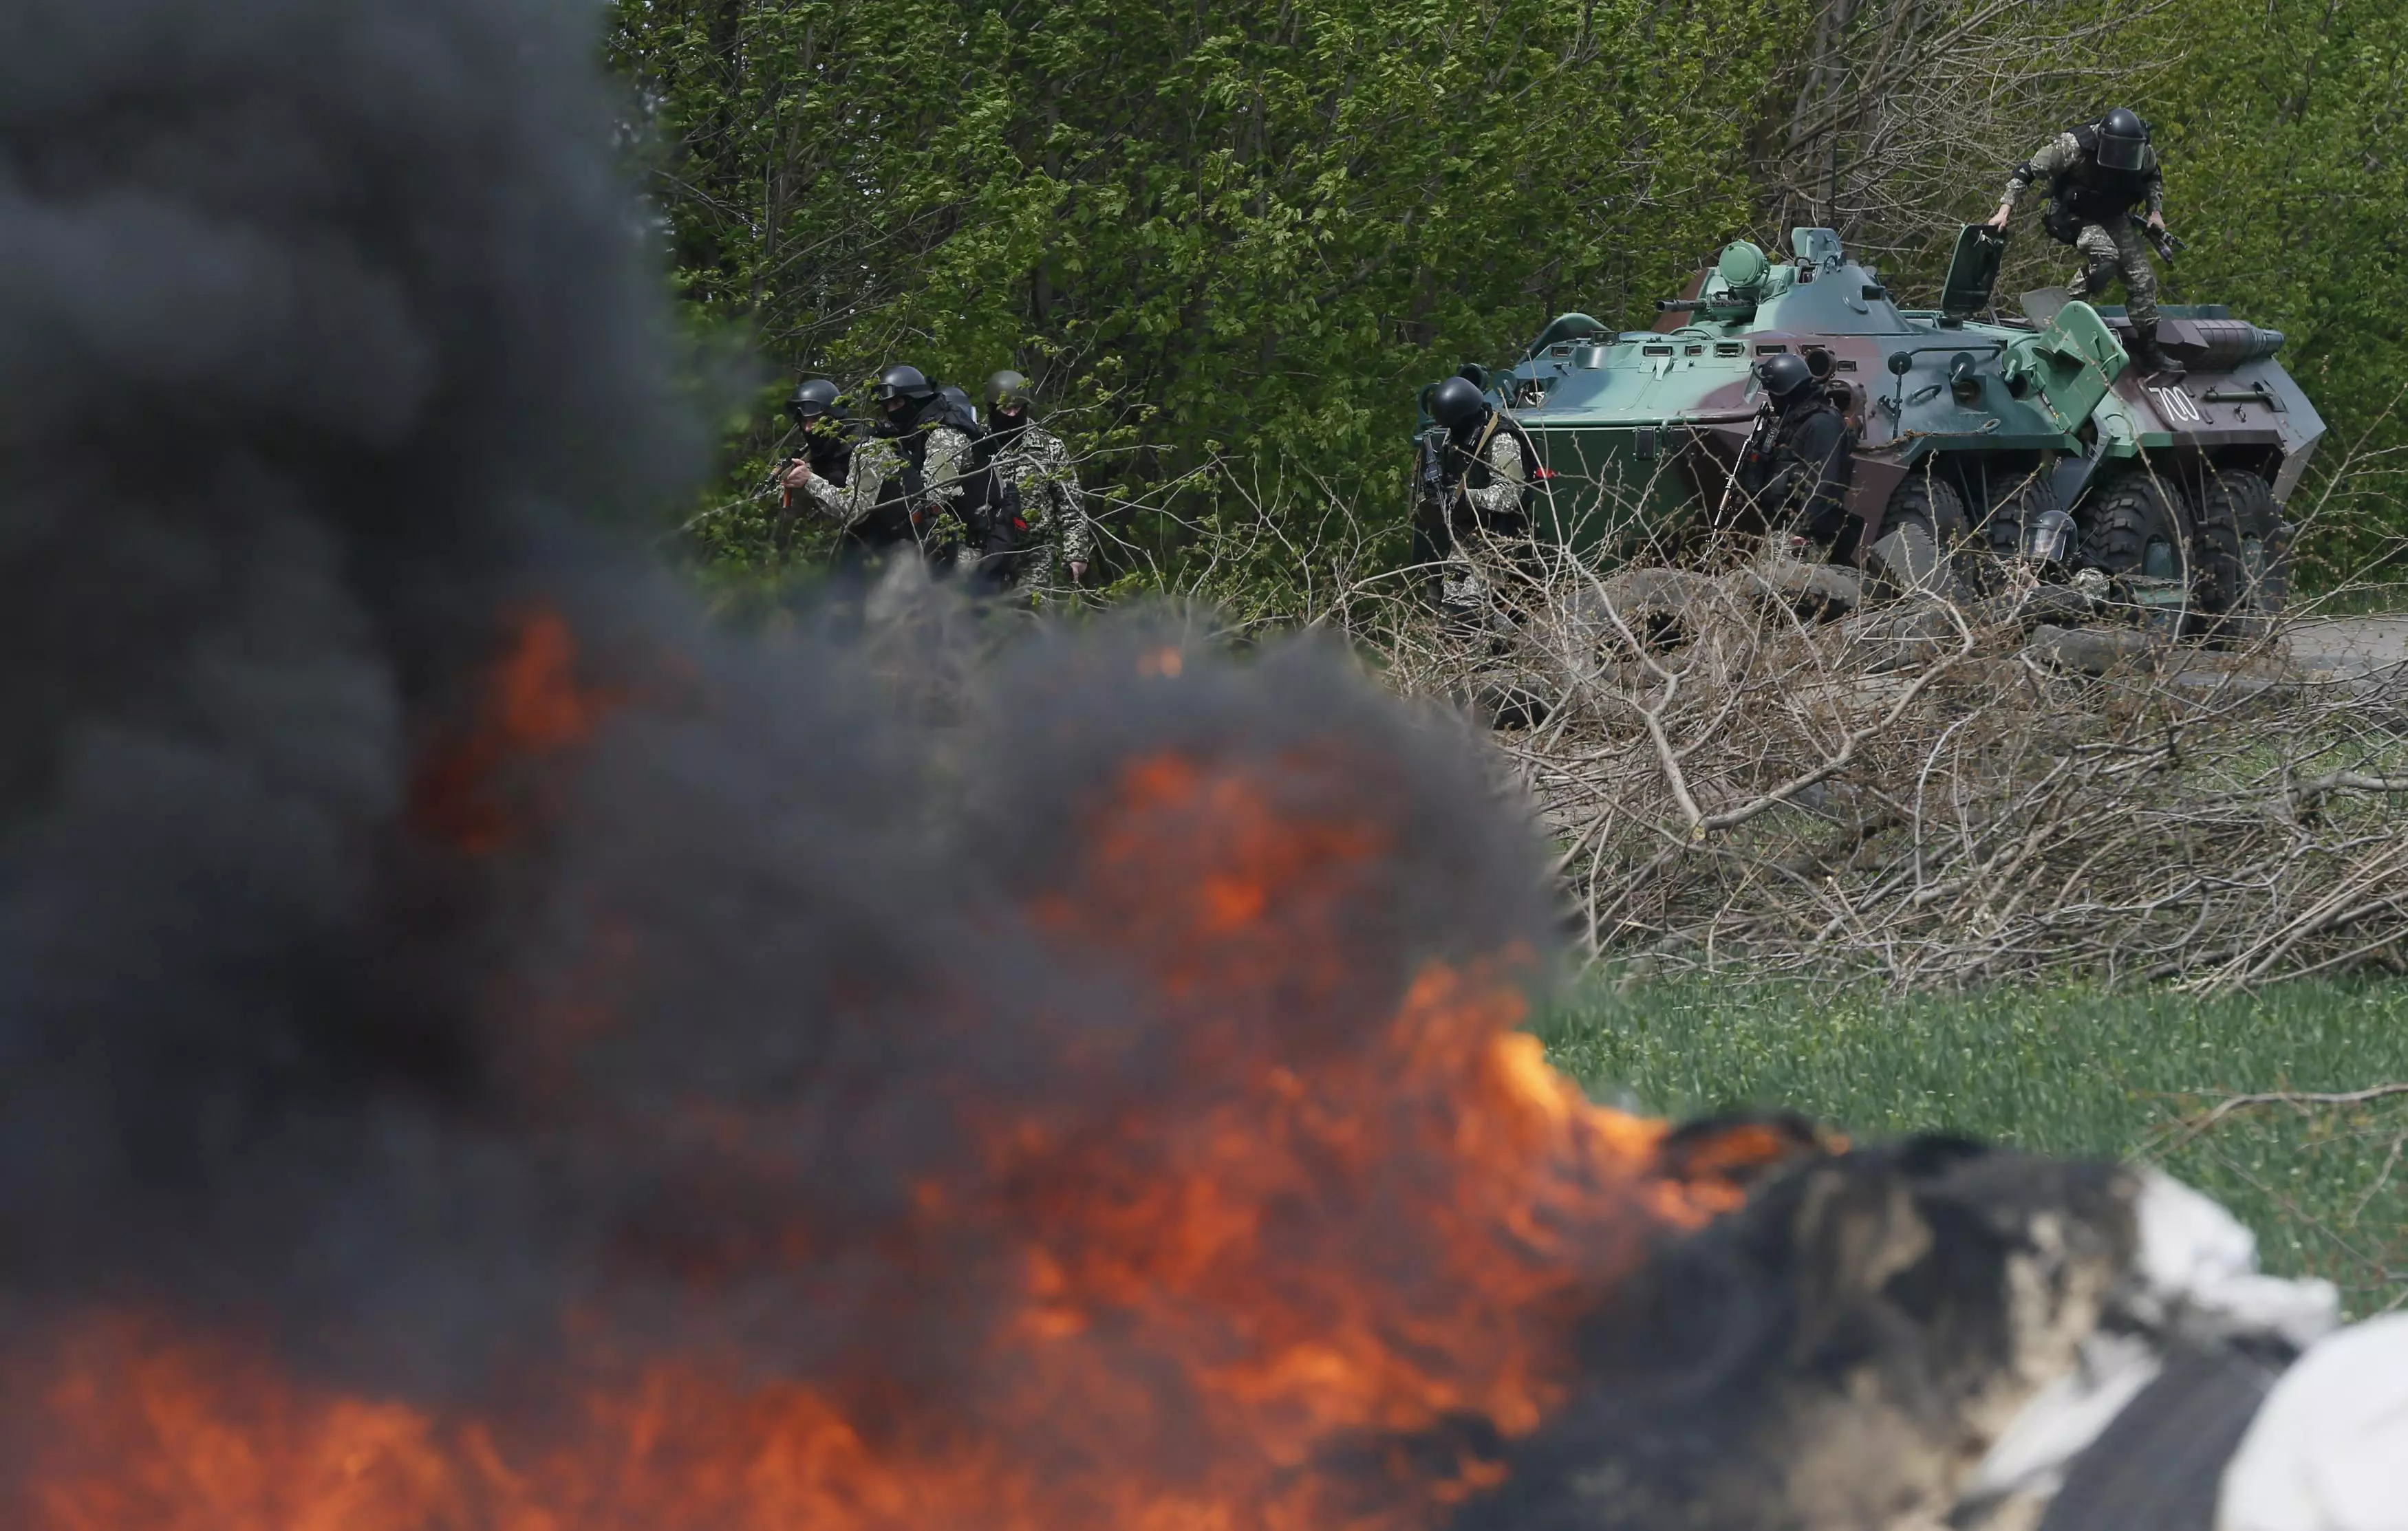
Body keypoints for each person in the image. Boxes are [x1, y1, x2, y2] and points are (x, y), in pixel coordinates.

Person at [1987, 107, 2182, 378]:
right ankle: (2065, 311)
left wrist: (2155, 212)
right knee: (2106, 260)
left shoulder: (2142, 151)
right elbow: (2027, 170)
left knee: (2143, 279)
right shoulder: (2072, 146)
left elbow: (2152, 177)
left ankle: (2150, 350)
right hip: (2071, 211)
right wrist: (2004, 209)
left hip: (2111, 213)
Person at [787, 363, 975, 569]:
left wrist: (812, 481)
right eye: (887, 406)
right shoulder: (904, 434)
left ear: (915, 400)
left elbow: (933, 495)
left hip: (952, 535)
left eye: (898, 403)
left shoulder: (942, 436)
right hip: (885, 541)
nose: (891, 411)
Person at [1416, 376, 1538, 616]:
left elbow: (1510, 493)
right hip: (1461, 530)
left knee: (1464, 612)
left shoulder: (1500, 439)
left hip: (1495, 534)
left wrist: (1463, 497)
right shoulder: (1456, 436)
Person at [972, 370, 1090, 600]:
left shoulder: (1049, 447)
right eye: (1006, 409)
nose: (1013, 414)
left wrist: (1076, 553)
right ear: (992, 406)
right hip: (986, 549)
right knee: (980, 618)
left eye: (1018, 409)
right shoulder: (974, 443)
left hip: (1033, 551)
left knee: (1032, 614)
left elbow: (1070, 503)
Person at [1734, 353, 1856, 556]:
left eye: (1773, 393)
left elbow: (1824, 485)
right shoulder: (1790, 421)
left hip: (1805, 538)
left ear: (1786, 393)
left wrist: (1804, 532)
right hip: (1782, 527)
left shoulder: (1822, 424)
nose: (1771, 398)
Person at [775, 378, 854, 525]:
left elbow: (858, 512)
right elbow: (793, 513)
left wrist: (810, 481)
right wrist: (791, 485)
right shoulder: (813, 455)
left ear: (834, 417)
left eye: (814, 420)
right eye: (804, 421)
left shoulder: (865, 447)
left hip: (895, 540)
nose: (808, 428)